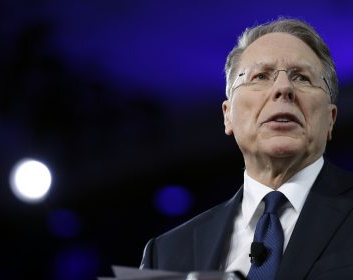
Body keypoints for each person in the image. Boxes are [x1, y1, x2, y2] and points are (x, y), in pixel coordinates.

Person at [140, 17, 353, 280]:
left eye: (302, 77)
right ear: (228, 115)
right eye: (261, 76)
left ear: (330, 119)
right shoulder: (165, 254)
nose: (284, 88)